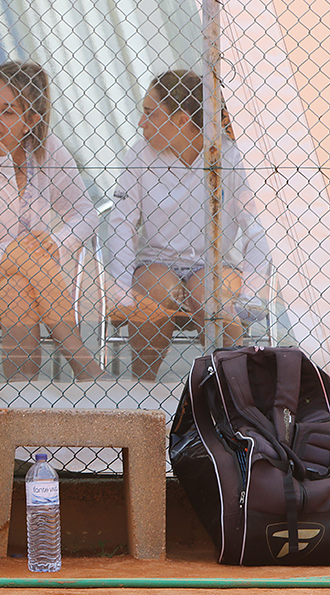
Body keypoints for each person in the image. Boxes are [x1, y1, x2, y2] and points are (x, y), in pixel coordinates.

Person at [0, 61, 103, 381]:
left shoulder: (46, 151)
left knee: (18, 287)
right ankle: (87, 367)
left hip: (32, 278)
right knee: (25, 254)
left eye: (8, 111)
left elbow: (86, 212)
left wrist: (57, 241)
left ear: (31, 121)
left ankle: (21, 397)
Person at [105, 69, 271, 380]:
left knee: (210, 297)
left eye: (150, 113)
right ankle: (142, 391)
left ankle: (233, 398)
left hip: (215, 263)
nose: (141, 122)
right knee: (159, 293)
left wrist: (252, 290)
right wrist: (121, 290)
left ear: (181, 120)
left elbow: (257, 227)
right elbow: (121, 224)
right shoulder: (140, 154)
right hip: (156, 262)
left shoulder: (229, 156)